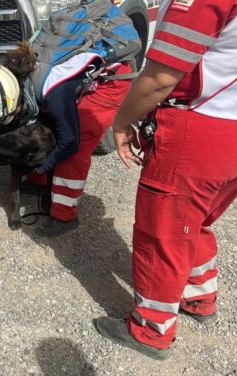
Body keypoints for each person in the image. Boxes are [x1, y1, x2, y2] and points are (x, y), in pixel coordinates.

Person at [96, 0, 237, 360]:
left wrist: (121, 121)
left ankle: (150, 329)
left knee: (163, 231)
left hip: (200, 127)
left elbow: (160, 77)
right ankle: (199, 296)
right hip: (229, 130)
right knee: (197, 218)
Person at [33, 61, 134, 237]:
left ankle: (64, 215)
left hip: (108, 80)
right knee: (48, 126)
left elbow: (69, 143)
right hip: (84, 70)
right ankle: (39, 181)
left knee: (76, 146)